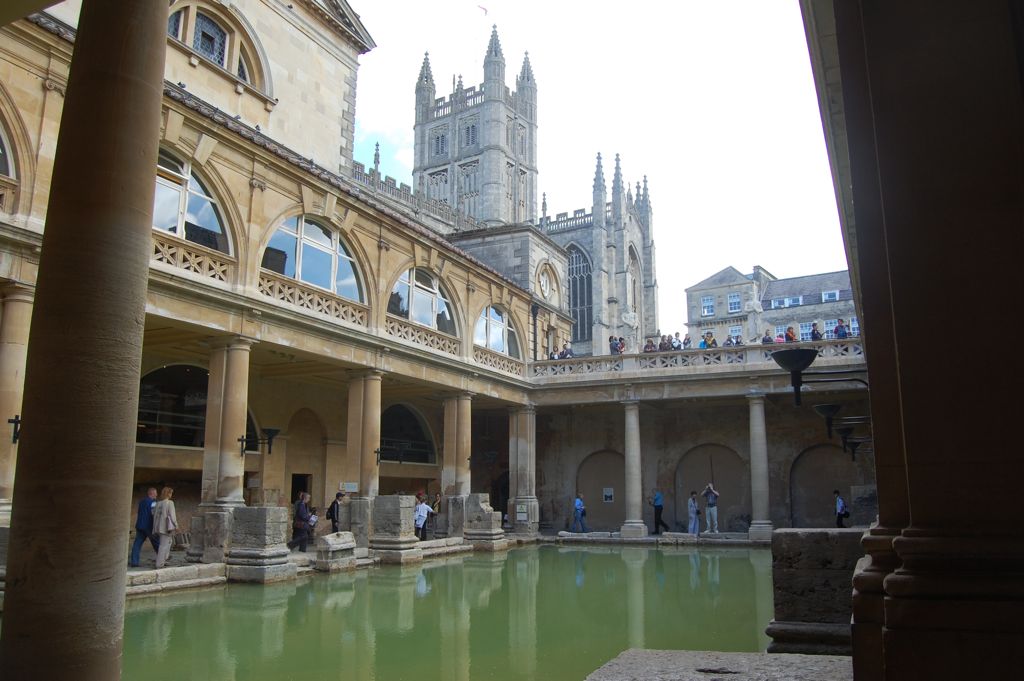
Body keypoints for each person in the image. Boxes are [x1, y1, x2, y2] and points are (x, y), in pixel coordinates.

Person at [129, 487, 159, 568]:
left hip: (140, 525)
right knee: (156, 542)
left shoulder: (141, 502)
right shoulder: (153, 503)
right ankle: (162, 558)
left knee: (137, 544)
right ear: (151, 493)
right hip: (149, 526)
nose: (156, 495)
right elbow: (154, 514)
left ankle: (134, 562)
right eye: (155, 493)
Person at [152, 486, 178, 569]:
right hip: (166, 527)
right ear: (168, 493)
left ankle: (164, 560)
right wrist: (176, 525)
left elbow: (154, 514)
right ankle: (159, 563)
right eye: (171, 493)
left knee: (168, 543)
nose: (171, 495)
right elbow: (172, 516)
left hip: (158, 527)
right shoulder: (170, 503)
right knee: (163, 545)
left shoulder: (158, 503)